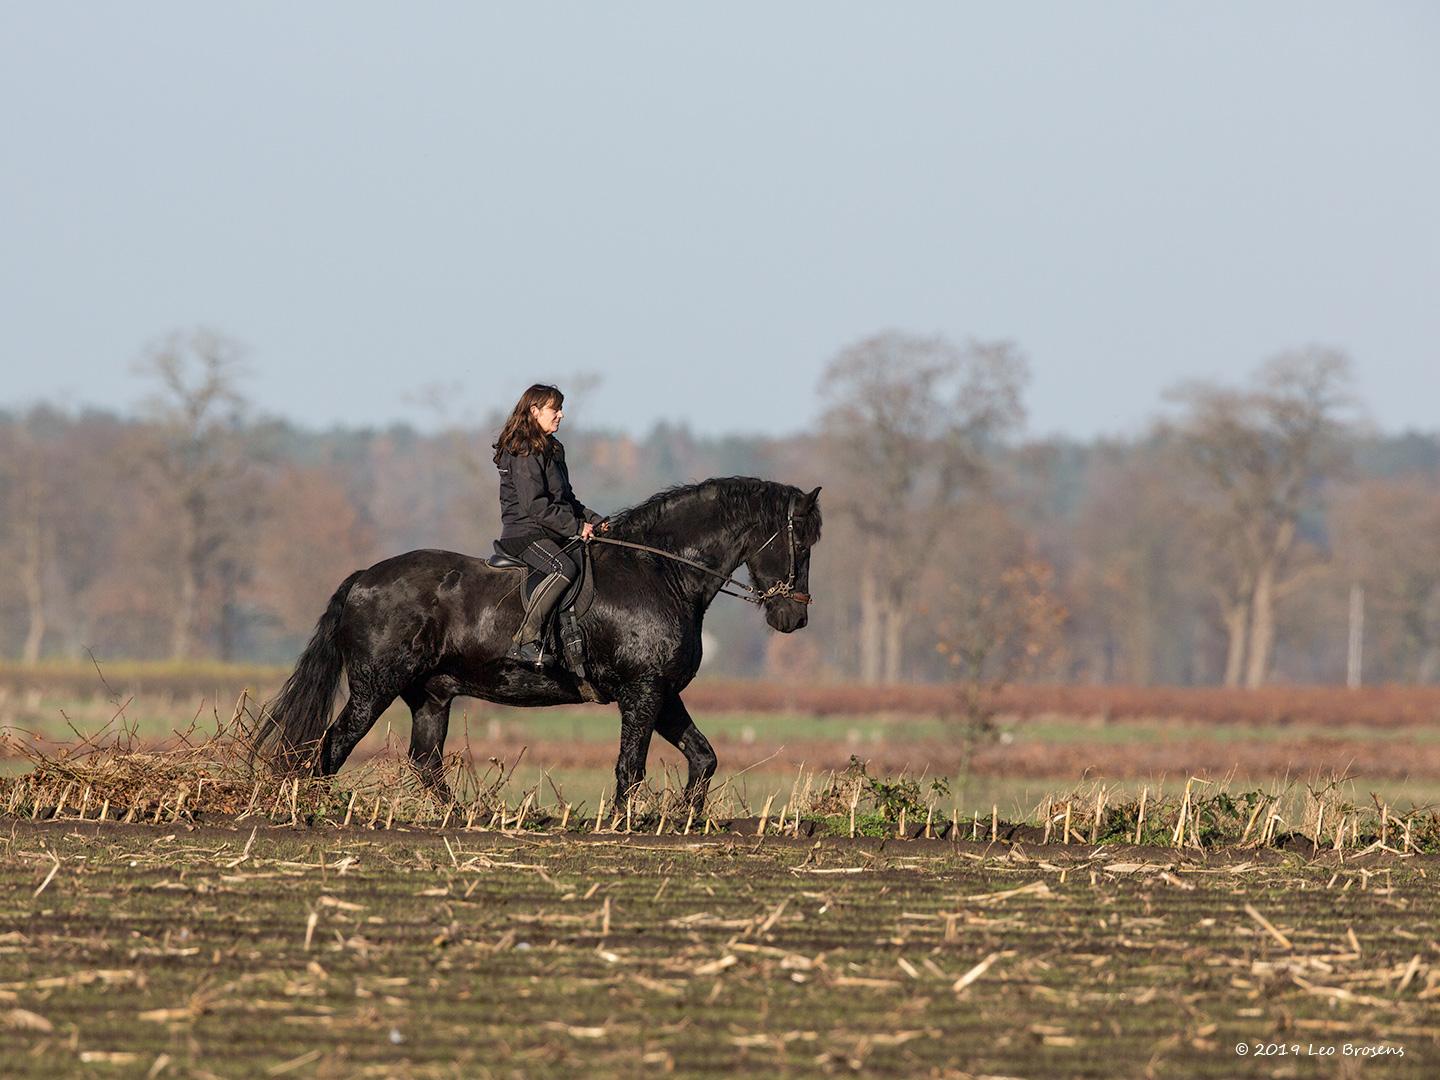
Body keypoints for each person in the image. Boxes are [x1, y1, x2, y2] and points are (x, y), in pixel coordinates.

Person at [492, 383, 608, 666]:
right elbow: (535, 506)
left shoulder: (553, 449)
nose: (561, 415)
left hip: (549, 531)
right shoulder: (522, 450)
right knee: (563, 568)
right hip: (525, 534)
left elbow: (566, 498)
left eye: (560, 409)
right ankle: (525, 639)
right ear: (534, 411)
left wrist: (593, 519)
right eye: (555, 409)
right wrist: (575, 528)